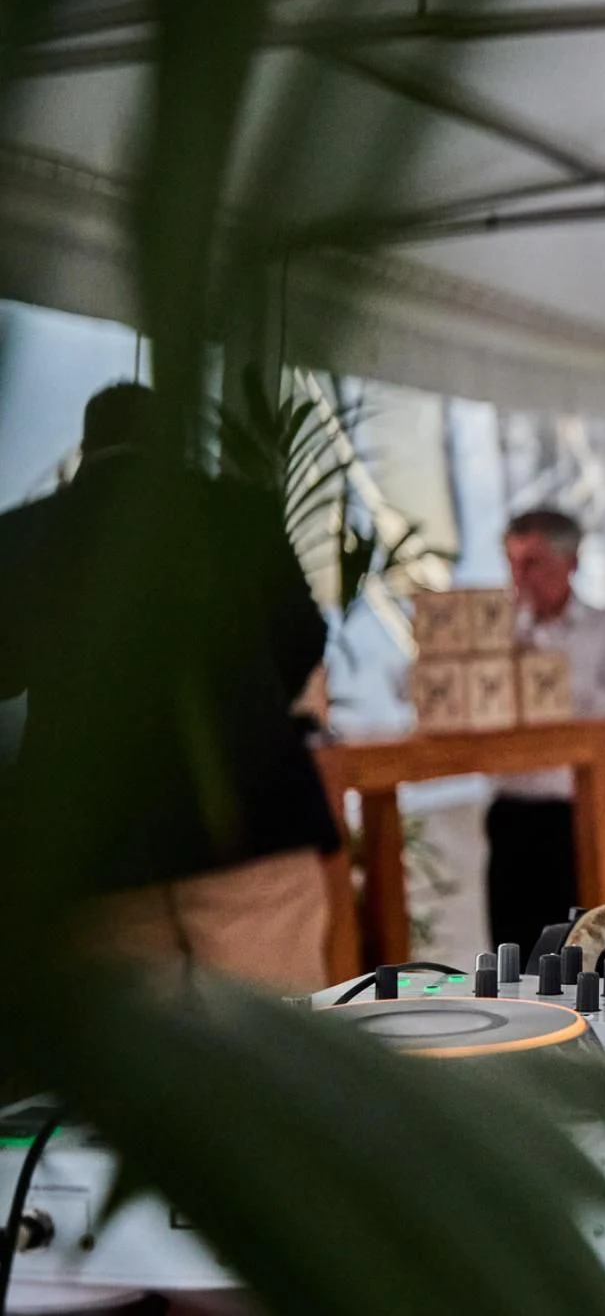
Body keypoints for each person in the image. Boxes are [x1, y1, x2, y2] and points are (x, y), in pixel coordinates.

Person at [0, 384, 338, 990]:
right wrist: (246, 709)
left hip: (97, 844)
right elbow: (302, 639)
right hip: (249, 818)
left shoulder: (26, 534)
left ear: (88, 446)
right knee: (280, 1050)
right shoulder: (241, 512)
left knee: (139, 1068)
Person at [486, 509, 605, 952]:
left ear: (571, 562)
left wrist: (558, 683)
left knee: (597, 956)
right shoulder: (495, 636)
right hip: (514, 815)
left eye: (533, 562)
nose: (519, 576)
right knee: (514, 958)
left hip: (587, 813)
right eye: (512, 562)